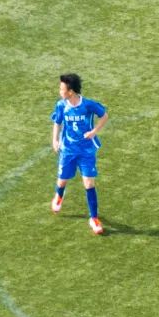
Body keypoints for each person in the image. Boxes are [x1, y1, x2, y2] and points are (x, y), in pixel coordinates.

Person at [50, 73, 110, 235]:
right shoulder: (61, 105)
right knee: (62, 181)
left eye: (62, 89)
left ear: (70, 91)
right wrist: (55, 140)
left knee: (89, 184)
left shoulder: (88, 105)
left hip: (86, 151)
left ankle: (94, 218)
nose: (60, 91)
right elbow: (57, 122)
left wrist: (94, 131)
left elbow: (104, 115)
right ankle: (59, 196)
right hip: (68, 150)